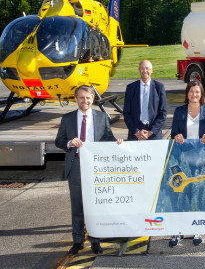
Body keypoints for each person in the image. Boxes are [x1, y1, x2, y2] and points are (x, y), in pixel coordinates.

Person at [55, 85, 123, 255]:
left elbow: (108, 138)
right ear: (76, 99)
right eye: (81, 97)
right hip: (76, 165)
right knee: (77, 205)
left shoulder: (101, 117)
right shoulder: (68, 118)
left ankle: (95, 240)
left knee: (95, 207)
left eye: (88, 98)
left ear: (93, 99)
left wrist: (117, 143)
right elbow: (59, 140)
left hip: (96, 168)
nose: (85, 101)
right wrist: (70, 142)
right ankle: (77, 241)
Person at [168, 80, 205, 247]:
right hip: (183, 159)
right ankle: (178, 231)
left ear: (201, 94)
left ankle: (197, 228)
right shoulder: (179, 111)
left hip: (202, 159)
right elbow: (173, 134)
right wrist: (176, 136)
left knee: (197, 192)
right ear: (187, 94)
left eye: (197, 92)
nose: (194, 95)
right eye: (191, 92)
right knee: (181, 194)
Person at [124, 60, 167, 140]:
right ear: (139, 70)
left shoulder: (159, 88)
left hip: (153, 134)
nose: (145, 71)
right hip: (135, 134)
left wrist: (151, 132)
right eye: (142, 68)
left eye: (147, 68)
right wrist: (136, 132)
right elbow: (126, 113)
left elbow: (163, 113)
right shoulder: (131, 88)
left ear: (152, 70)